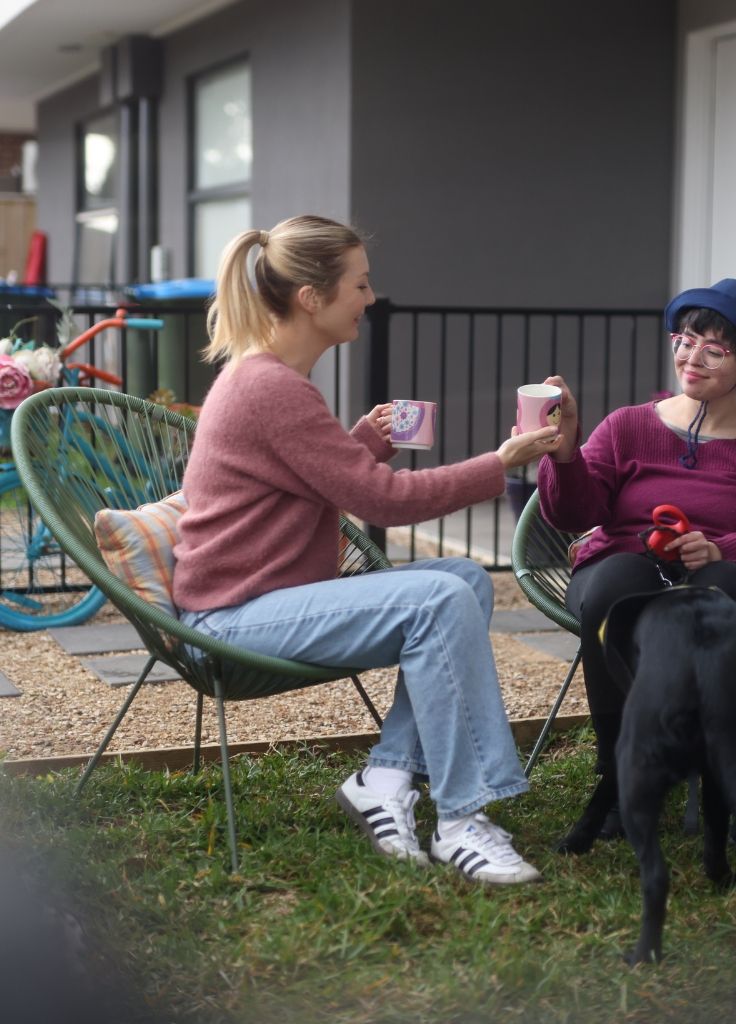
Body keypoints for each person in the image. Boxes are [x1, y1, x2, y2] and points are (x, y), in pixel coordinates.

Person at [172, 214, 563, 884]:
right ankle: (464, 818)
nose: (371, 298)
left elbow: (311, 477)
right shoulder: (271, 388)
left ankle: (383, 779)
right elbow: (384, 502)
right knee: (439, 598)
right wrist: (499, 463)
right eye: (360, 283)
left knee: (463, 580)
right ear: (311, 298)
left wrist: (362, 442)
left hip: (264, 601)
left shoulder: (270, 382)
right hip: (228, 620)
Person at [535, 278, 736, 838]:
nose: (692, 356)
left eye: (716, 347)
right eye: (685, 339)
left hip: (723, 570)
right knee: (614, 587)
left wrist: (717, 548)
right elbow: (572, 512)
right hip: (626, 562)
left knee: (724, 595)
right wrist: (564, 455)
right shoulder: (627, 426)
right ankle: (619, 777)